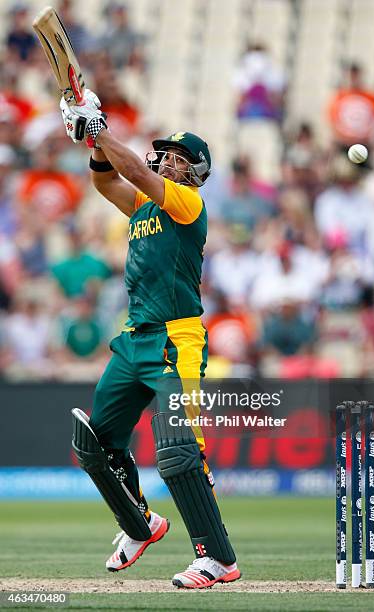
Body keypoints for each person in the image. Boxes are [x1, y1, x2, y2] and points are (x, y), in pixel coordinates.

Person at [59, 89, 240, 588]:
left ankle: (217, 559)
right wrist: (93, 142)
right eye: (168, 156)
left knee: (179, 450)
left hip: (175, 339)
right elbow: (106, 182)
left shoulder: (186, 203)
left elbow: (135, 172)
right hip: (135, 338)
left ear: (195, 175)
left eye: (181, 161)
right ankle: (139, 523)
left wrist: (99, 128)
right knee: (98, 441)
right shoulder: (143, 206)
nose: (169, 164)